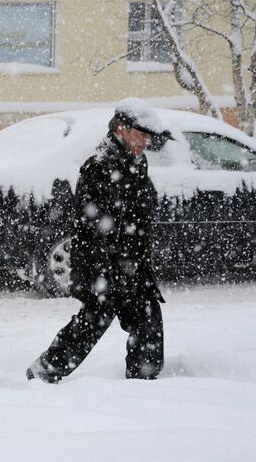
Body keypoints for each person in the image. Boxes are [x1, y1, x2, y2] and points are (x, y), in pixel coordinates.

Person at [26, 98, 172, 383]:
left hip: (130, 266)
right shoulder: (99, 166)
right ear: (121, 129)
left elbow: (137, 214)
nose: (145, 142)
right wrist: (111, 268)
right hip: (104, 267)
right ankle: (42, 374)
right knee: (90, 325)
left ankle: (144, 384)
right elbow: (93, 225)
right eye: (141, 134)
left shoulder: (135, 160)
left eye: (148, 137)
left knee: (145, 322)